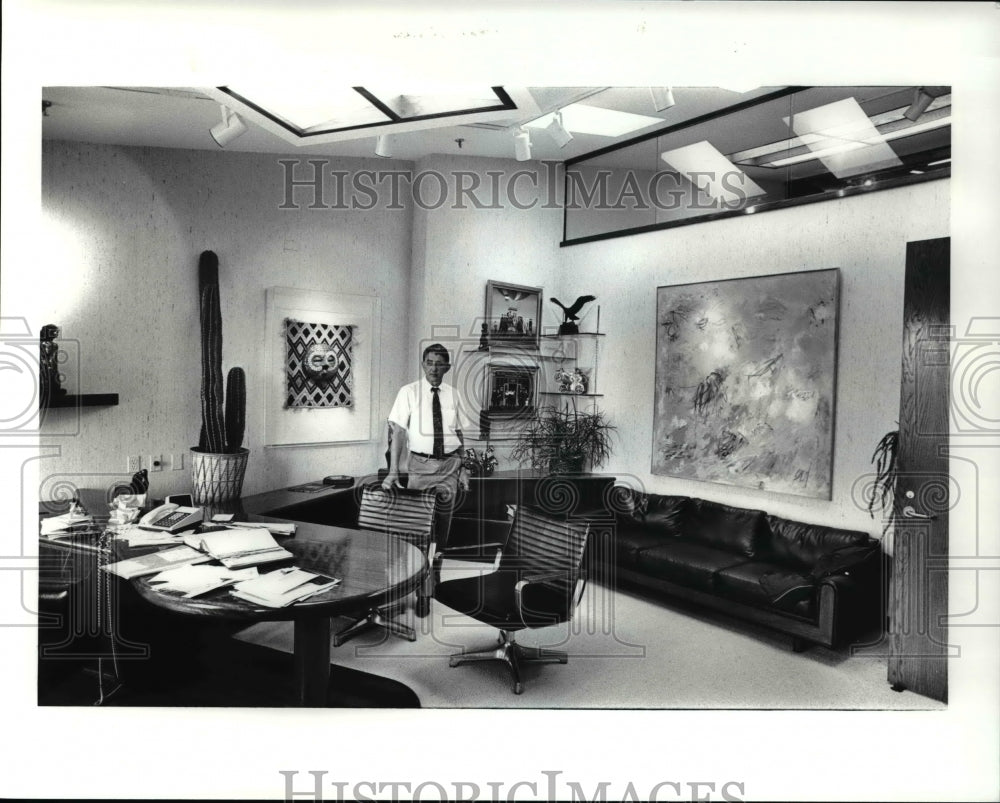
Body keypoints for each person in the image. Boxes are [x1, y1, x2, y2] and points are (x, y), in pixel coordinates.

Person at [384, 343, 471, 556]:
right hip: (421, 466)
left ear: (447, 368)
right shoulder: (409, 392)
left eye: (439, 364)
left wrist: (463, 468)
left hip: (450, 466)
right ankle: (417, 571)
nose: (433, 368)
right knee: (418, 526)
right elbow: (398, 432)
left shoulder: (454, 395)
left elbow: (459, 433)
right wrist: (393, 471)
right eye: (429, 363)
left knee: (443, 526)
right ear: (423, 365)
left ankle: (436, 570)